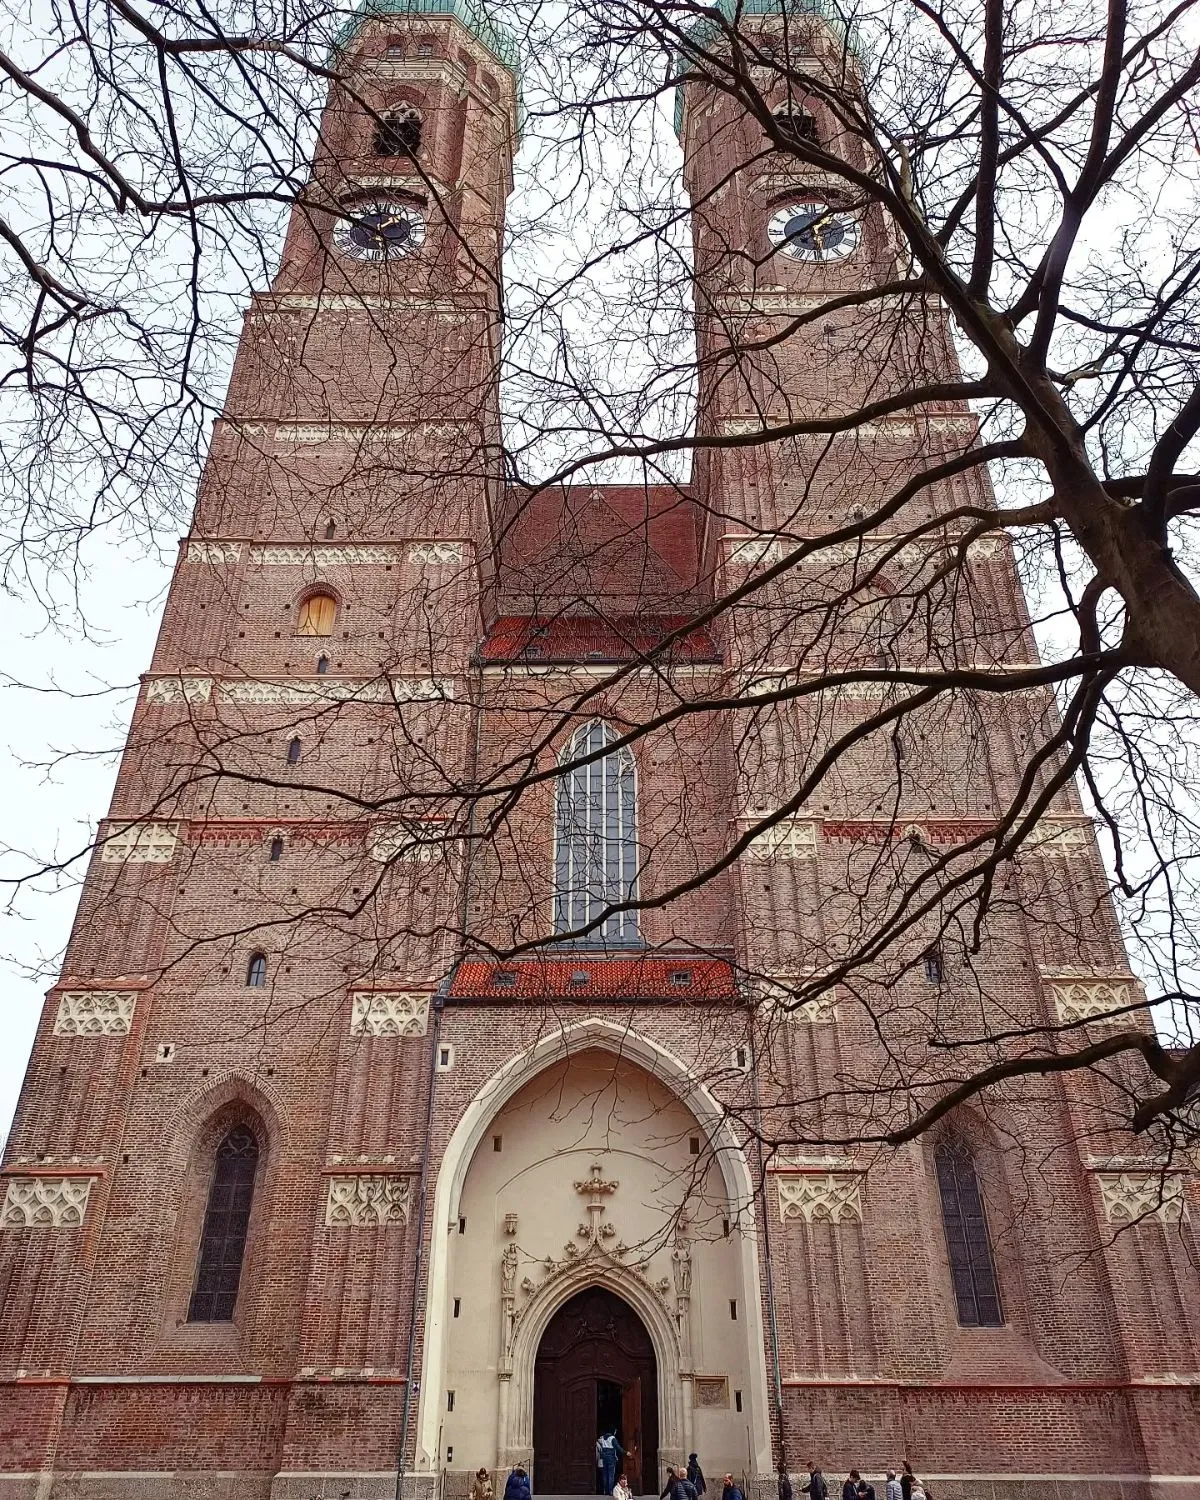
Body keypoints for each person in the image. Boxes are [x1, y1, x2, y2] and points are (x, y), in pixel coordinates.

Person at [598, 1430, 625, 1496]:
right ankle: (610, 1491)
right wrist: (625, 1452)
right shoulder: (613, 1438)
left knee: (605, 1474)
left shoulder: (602, 1438)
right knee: (611, 1475)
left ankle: (605, 1490)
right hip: (611, 1458)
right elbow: (618, 1448)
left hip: (604, 1458)